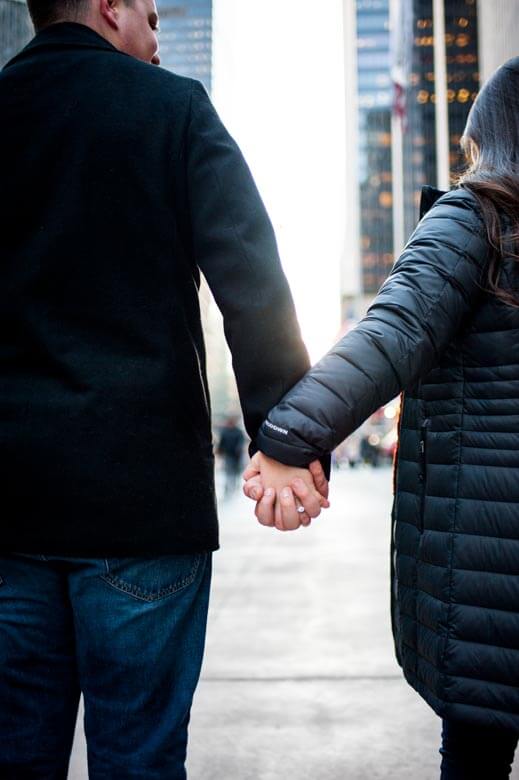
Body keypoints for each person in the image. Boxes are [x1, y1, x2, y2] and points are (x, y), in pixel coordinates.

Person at [0, 1, 329, 776]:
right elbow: (250, 282)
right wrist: (287, 440)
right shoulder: (172, 108)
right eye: (151, 16)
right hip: (138, 504)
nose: (156, 38)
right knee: (139, 760)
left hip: (7, 505)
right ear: (109, 6)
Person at [244, 59, 519, 779]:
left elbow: (393, 331)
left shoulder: (479, 215)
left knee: (477, 755)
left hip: (491, 566)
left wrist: (287, 437)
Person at [217, 416, 245, 497]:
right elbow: (221, 442)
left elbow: (241, 442)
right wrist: (220, 451)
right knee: (228, 471)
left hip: (236, 456)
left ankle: (234, 485)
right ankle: (228, 487)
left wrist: (239, 450)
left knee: (235, 471)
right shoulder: (225, 431)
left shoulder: (238, 432)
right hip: (228, 455)